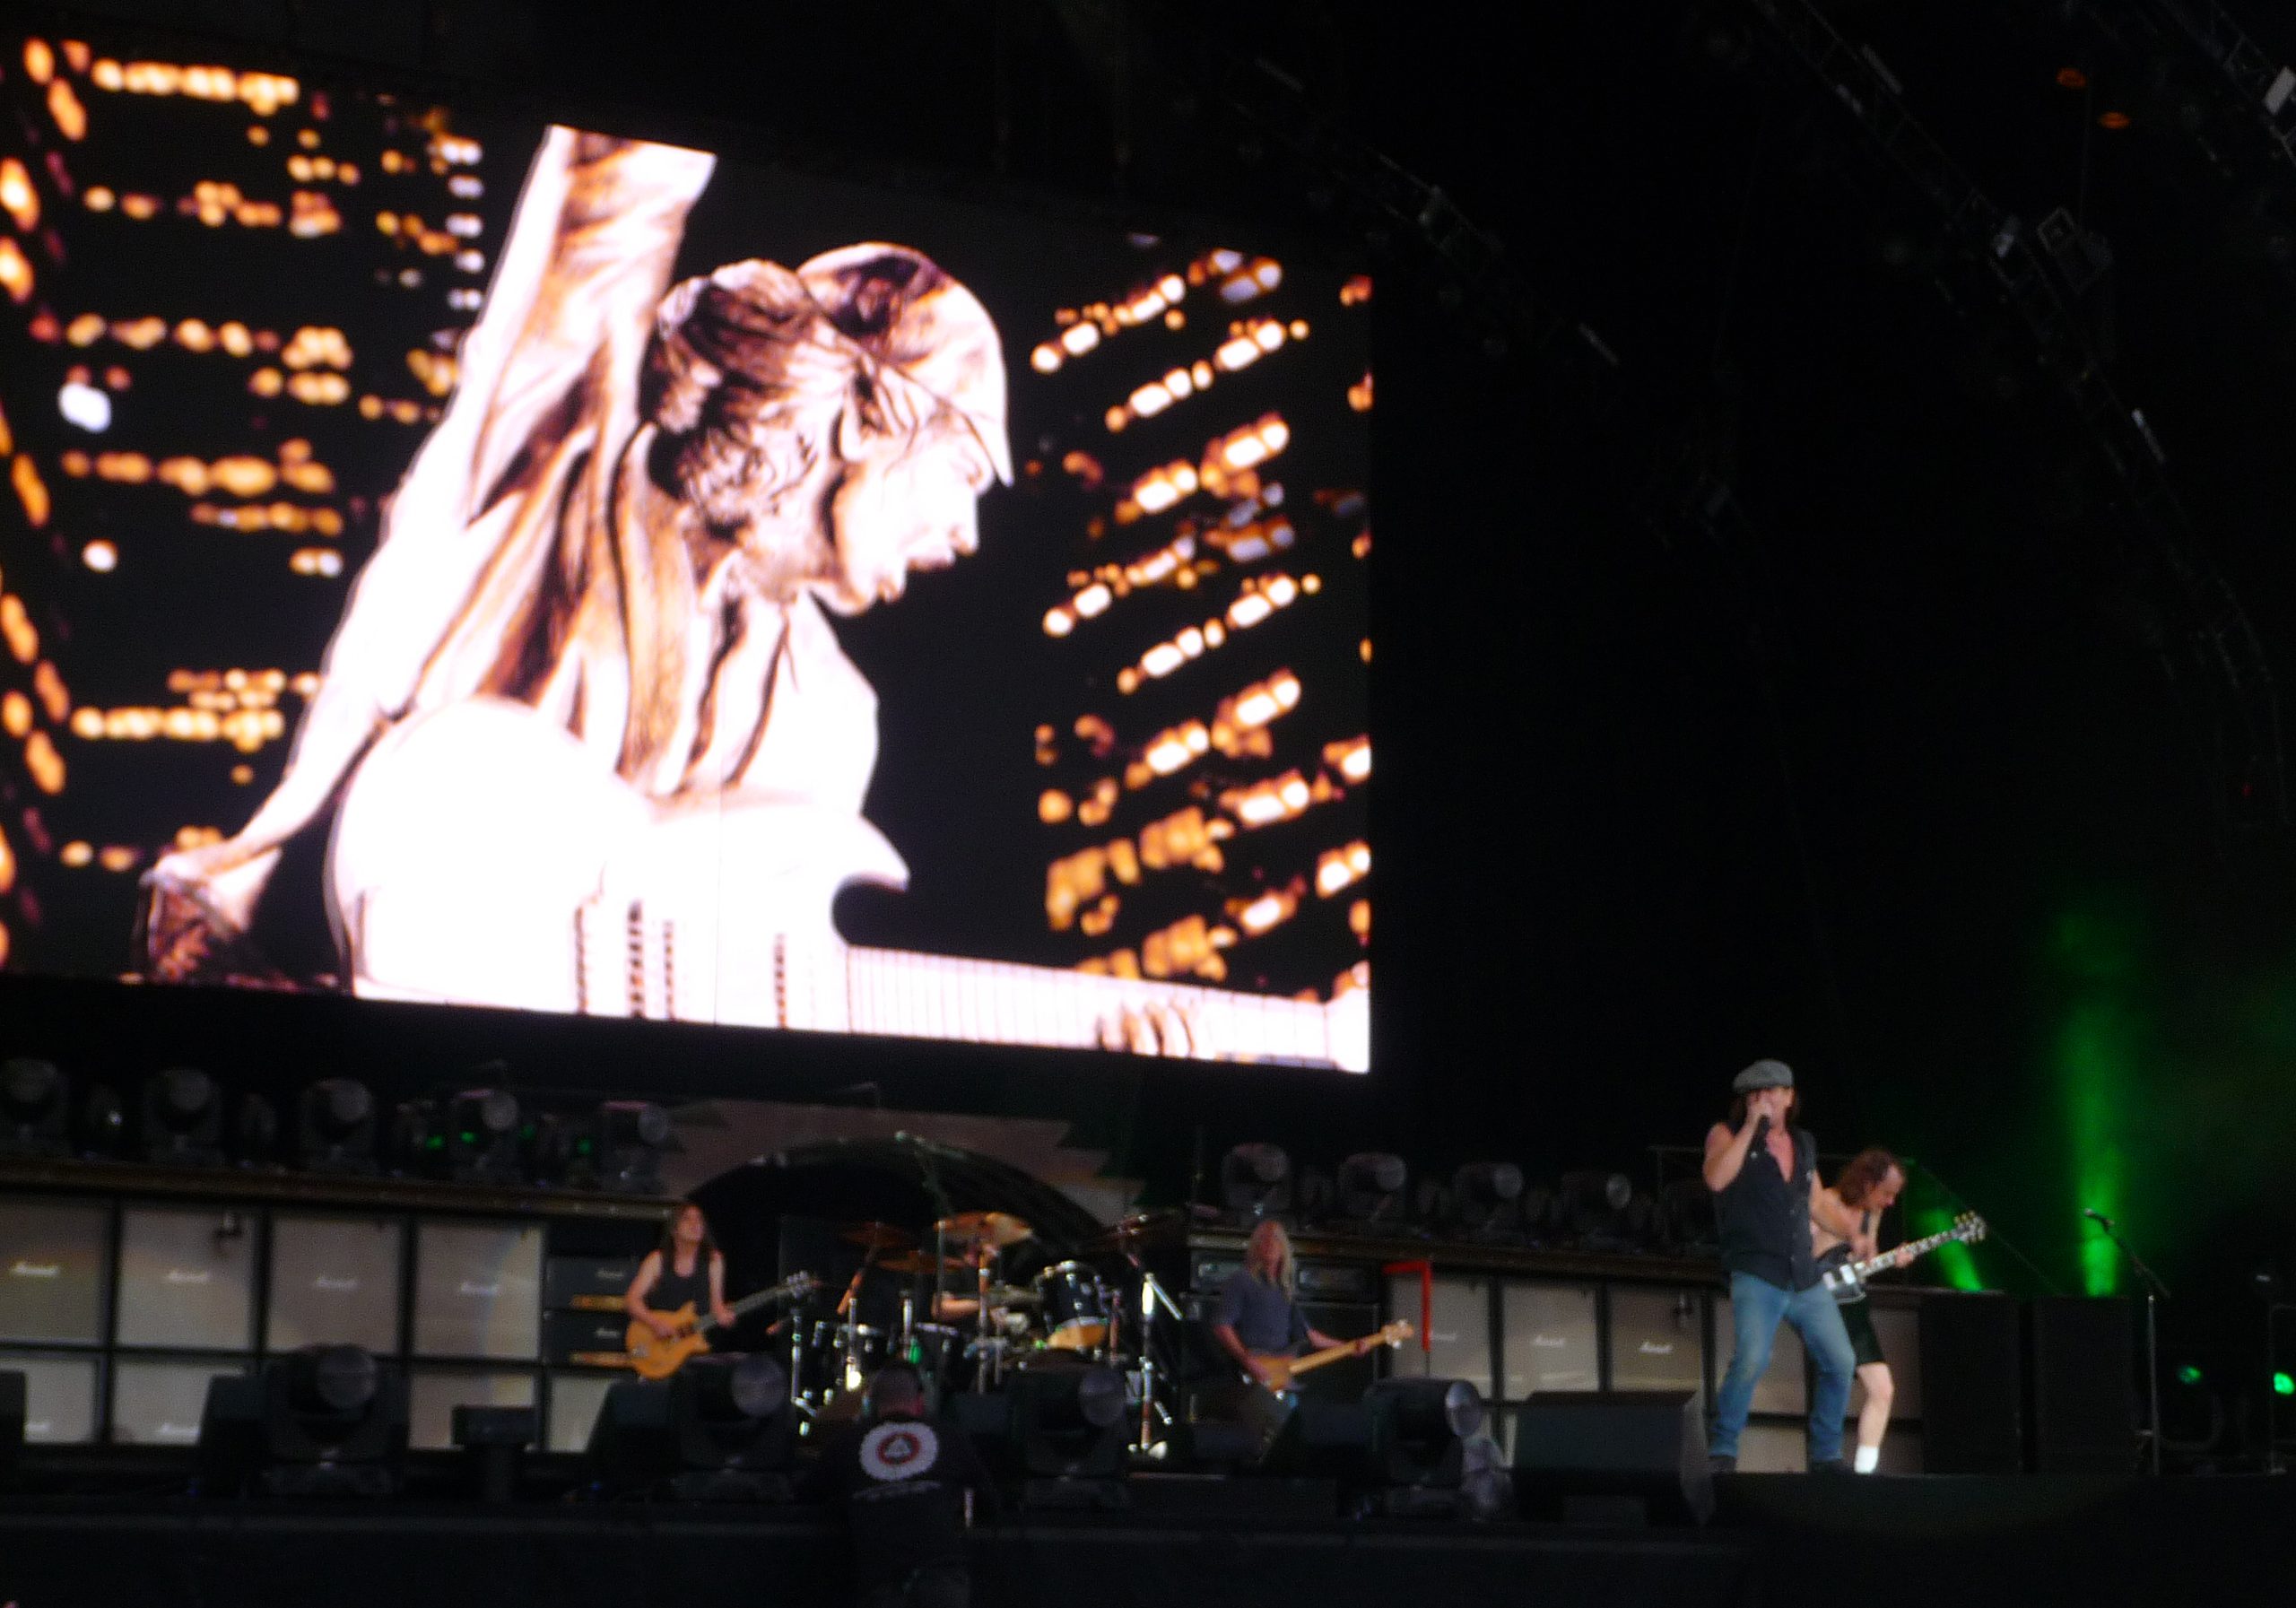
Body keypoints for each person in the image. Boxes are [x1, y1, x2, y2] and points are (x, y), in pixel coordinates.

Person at [140, 127, 1009, 1008]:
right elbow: (615, 187)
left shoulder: (832, 721)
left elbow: (738, 1003)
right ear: (865, 422)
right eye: (963, 474)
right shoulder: (558, 449)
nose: (967, 532)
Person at [1700, 1059, 1861, 1473]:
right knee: (1752, 1358)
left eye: (1772, 1092)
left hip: (1804, 1275)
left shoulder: (1803, 1144)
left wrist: (1852, 1234)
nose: (1764, 1099)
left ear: (1789, 1097)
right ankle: (1723, 1450)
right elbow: (1716, 1179)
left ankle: (1825, 1455)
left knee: (1841, 1361)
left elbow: (1816, 1202)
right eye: (1755, 1094)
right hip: (1757, 1272)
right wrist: (1749, 1128)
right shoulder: (1727, 1135)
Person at [809, 1362, 999, 1608]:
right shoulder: (949, 1436)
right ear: (921, 1400)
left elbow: (809, 1494)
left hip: (879, 1579)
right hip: (941, 1575)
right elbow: (989, 1500)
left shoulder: (846, 1444)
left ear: (871, 1403)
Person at [1813, 1147, 1915, 1474]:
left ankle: (1864, 1474)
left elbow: (1862, 1266)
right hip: (1821, 1305)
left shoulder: (1873, 1215)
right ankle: (1825, 1459)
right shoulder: (1826, 1203)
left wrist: (1892, 1260)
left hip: (1853, 1305)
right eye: (1887, 1193)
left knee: (1883, 1389)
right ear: (1868, 1184)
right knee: (1837, 1376)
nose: (1890, 1202)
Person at [1209, 1220, 1369, 1387]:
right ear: (1255, 1247)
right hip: (1252, 1378)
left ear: (1283, 1247)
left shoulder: (1285, 1288)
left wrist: (1349, 1347)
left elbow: (1311, 1336)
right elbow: (1222, 1325)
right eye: (1263, 1239)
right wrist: (1247, 1360)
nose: (1270, 1243)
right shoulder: (1241, 1280)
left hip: (1280, 1377)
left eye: (1275, 1238)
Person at [625, 1201, 735, 1343]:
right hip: (659, 1341)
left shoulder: (714, 1259)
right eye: (687, 1219)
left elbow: (716, 1303)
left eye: (699, 1219)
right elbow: (632, 1300)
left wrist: (724, 1316)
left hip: (697, 1341)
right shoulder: (657, 1259)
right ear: (674, 1230)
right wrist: (654, 1323)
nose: (695, 1224)